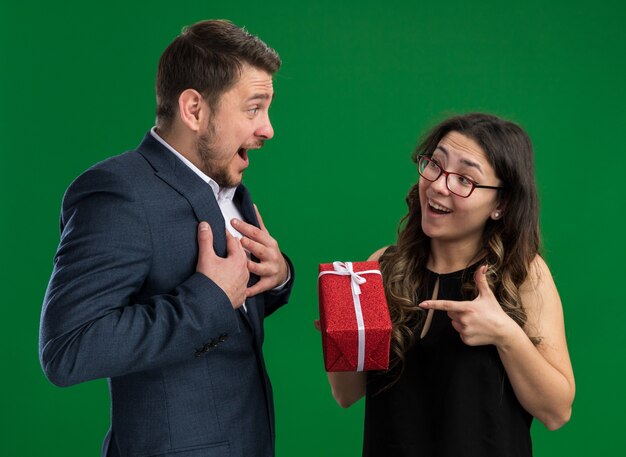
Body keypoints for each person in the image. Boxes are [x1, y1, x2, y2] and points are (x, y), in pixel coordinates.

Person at [39, 20, 294, 457]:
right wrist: (207, 299)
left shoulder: (228, 184)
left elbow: (226, 316)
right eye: (253, 109)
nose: (268, 128)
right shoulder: (117, 192)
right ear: (194, 109)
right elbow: (68, 349)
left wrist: (277, 274)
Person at [322, 113, 575, 456]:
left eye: (464, 179)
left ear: (500, 204)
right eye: (435, 165)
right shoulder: (381, 267)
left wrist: (505, 333)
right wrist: (342, 334)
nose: (439, 185)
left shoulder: (523, 273)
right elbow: (346, 394)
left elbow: (557, 412)